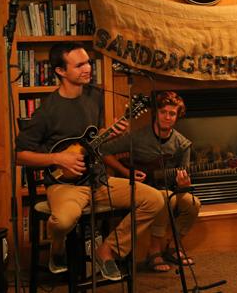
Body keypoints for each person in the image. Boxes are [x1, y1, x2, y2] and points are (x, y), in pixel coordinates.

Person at [15, 42, 165, 281]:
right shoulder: (48, 110)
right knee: (63, 221)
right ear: (61, 71)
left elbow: (94, 142)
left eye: (88, 62)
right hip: (65, 185)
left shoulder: (95, 95)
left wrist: (111, 134)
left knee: (154, 200)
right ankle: (58, 247)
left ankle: (107, 250)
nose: (88, 68)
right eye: (79, 65)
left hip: (98, 180)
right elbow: (19, 155)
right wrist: (57, 157)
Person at [101, 91, 201, 272]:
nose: (167, 117)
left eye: (172, 114)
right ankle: (154, 251)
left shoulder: (182, 144)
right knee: (164, 197)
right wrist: (125, 172)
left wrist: (184, 184)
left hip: (170, 187)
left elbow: (183, 177)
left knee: (193, 203)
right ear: (156, 113)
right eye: (163, 112)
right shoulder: (138, 137)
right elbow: (103, 150)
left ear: (178, 116)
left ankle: (173, 246)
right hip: (144, 190)